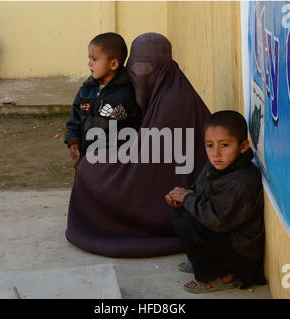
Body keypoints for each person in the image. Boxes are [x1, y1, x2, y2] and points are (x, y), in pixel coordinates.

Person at [65, 33, 210, 258]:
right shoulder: (159, 89)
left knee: (90, 169)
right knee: (90, 164)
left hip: (166, 184)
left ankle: (119, 224)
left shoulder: (175, 101)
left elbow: (151, 160)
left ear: (163, 67)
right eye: (134, 67)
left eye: (146, 68)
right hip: (146, 161)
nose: (138, 75)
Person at [166, 110, 266, 293]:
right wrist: (181, 199)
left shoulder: (240, 182)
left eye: (225, 145)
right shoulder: (217, 165)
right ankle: (201, 262)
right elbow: (199, 191)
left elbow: (217, 219)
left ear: (243, 146)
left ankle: (222, 277)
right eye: (210, 146)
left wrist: (188, 198)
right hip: (225, 239)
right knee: (182, 212)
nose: (216, 153)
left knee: (190, 221)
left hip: (242, 257)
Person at [64, 32, 142, 169]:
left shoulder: (128, 94)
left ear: (113, 63)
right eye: (89, 58)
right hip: (87, 159)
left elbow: (137, 125)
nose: (89, 64)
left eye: (94, 59)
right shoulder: (86, 90)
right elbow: (75, 118)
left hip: (114, 164)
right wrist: (73, 139)